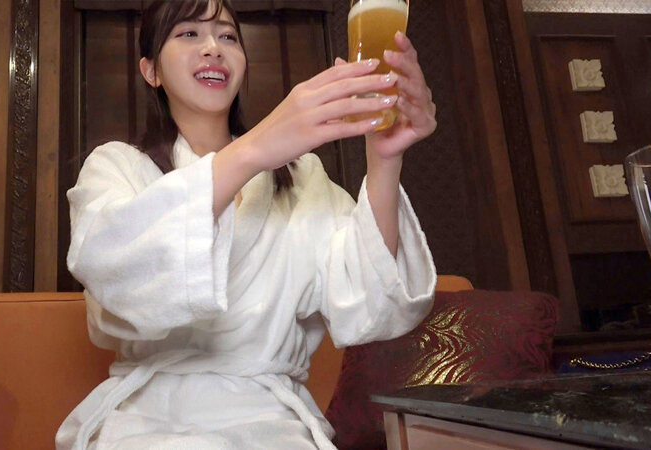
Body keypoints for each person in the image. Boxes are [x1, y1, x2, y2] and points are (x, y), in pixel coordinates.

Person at [56, 0, 437, 448]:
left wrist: (384, 159)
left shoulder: (301, 177)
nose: (213, 48)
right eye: (189, 34)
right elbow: (111, 272)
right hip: (148, 417)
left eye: (228, 36)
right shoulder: (117, 167)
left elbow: (370, 300)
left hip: (270, 419)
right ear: (150, 70)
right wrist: (255, 150)